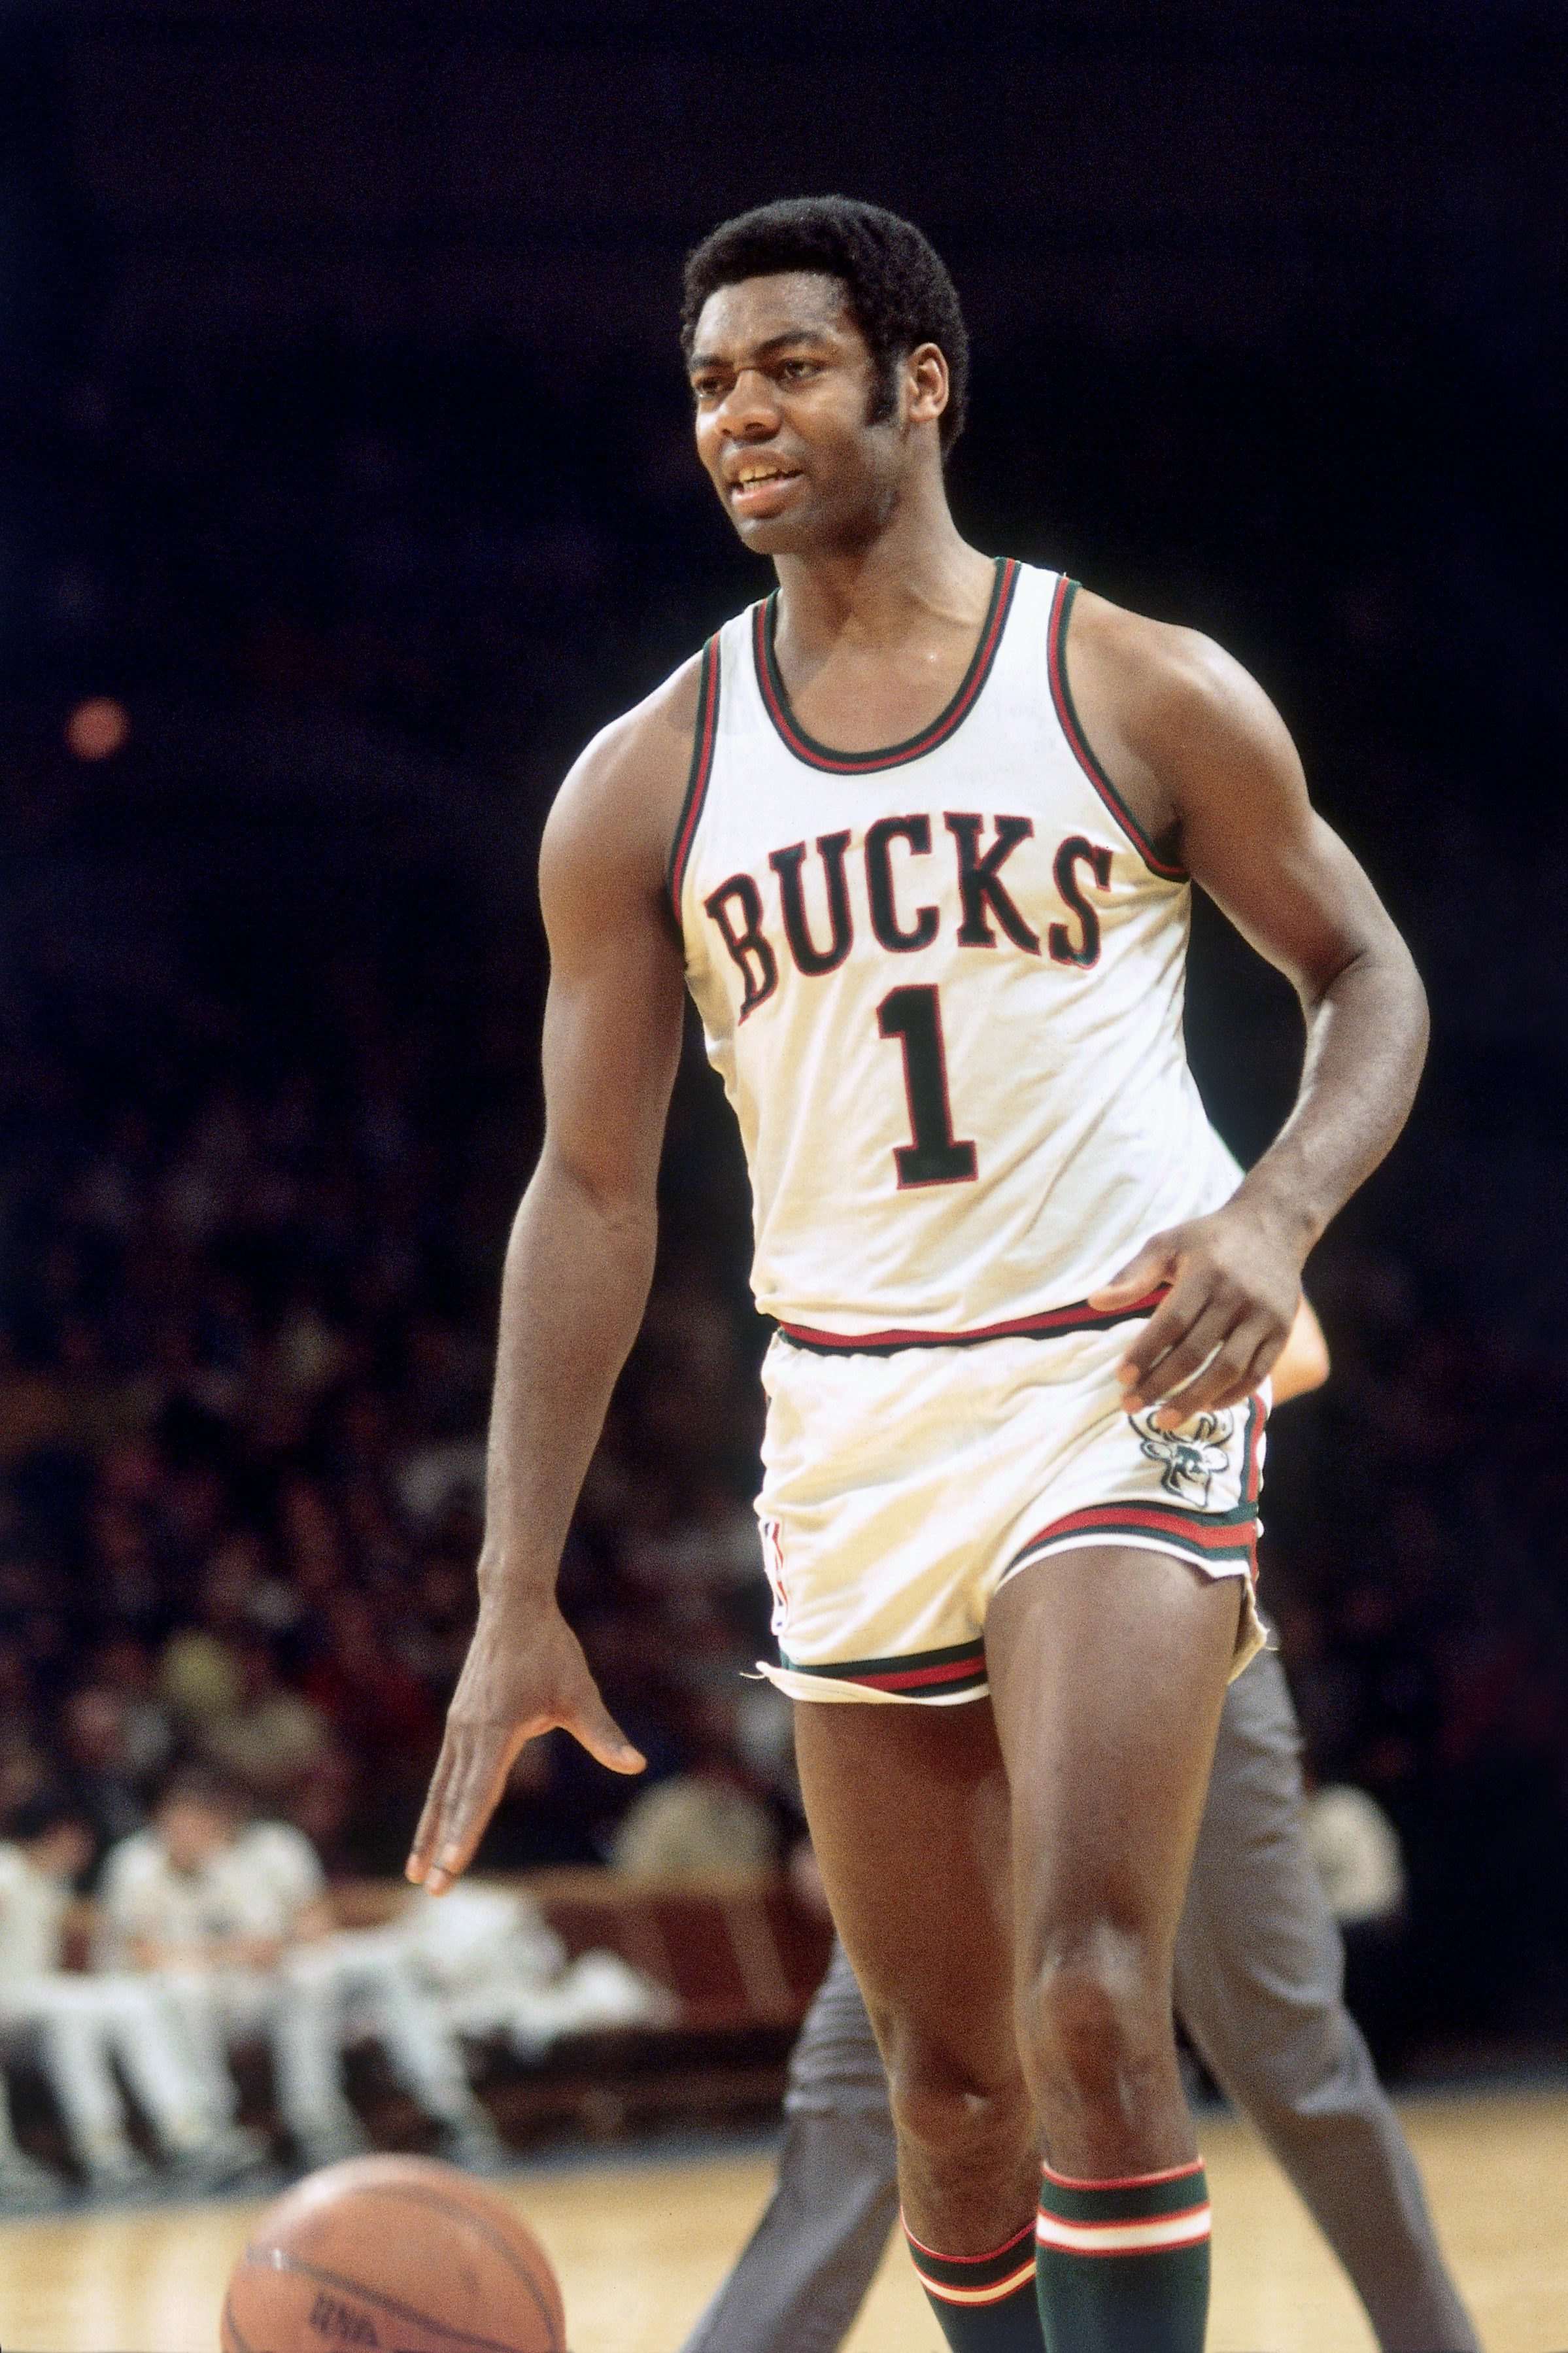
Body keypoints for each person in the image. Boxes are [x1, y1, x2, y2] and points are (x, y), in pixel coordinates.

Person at [407, 196, 1429, 2353]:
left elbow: (1366, 976)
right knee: (948, 2093)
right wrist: (514, 1584)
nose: (737, 418)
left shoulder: (1126, 681)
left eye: (783, 367)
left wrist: (1268, 1210)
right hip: (852, 1416)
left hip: (1111, 1373)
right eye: (704, 385)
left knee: (1083, 1996)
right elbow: (586, 1194)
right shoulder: (641, 782)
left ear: (917, 382)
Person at [678, 1313, 1480, 2353]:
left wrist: (1063, 1392)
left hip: (1155, 1629)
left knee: (1283, 2048)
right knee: (883, 2074)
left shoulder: (1116, 1160)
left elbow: (1305, 1343)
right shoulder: (877, 1211)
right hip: (948, 1645)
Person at [99, 1766, 503, 2173]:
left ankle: (443, 2104)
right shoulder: (138, 1862)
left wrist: (279, 1945)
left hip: (277, 1978)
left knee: (375, 1964)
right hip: (208, 1993)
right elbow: (141, 1953)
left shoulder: (273, 1846)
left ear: (222, 1819)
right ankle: (214, 2133)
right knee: (187, 1992)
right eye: (176, 1820)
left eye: (197, 1821)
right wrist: (233, 1954)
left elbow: (316, 1921)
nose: (185, 1832)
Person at [0, 1791, 264, 2199]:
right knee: (75, 2009)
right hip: (13, 1999)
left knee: (120, 2007)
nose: (84, 1847)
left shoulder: (48, 1881)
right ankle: (114, 2147)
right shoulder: (8, 1874)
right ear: (58, 1834)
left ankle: (150, 2142)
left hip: (35, 2004)